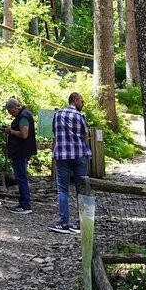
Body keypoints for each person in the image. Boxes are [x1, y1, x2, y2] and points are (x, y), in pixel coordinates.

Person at [49, 91, 91, 234]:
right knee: (82, 189)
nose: (83, 104)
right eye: (82, 101)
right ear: (76, 100)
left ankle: (63, 222)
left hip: (62, 155)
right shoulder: (80, 116)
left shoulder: (58, 114)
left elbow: (55, 134)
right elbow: (86, 135)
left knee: (63, 189)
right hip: (79, 155)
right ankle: (82, 223)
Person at [4, 96, 37, 214]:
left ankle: (25, 204)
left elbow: (24, 134)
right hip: (21, 151)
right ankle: (23, 203)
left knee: (21, 177)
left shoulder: (23, 116)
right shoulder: (24, 114)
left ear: (14, 108)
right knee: (21, 177)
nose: (10, 113)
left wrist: (10, 131)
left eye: (9, 111)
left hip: (20, 151)